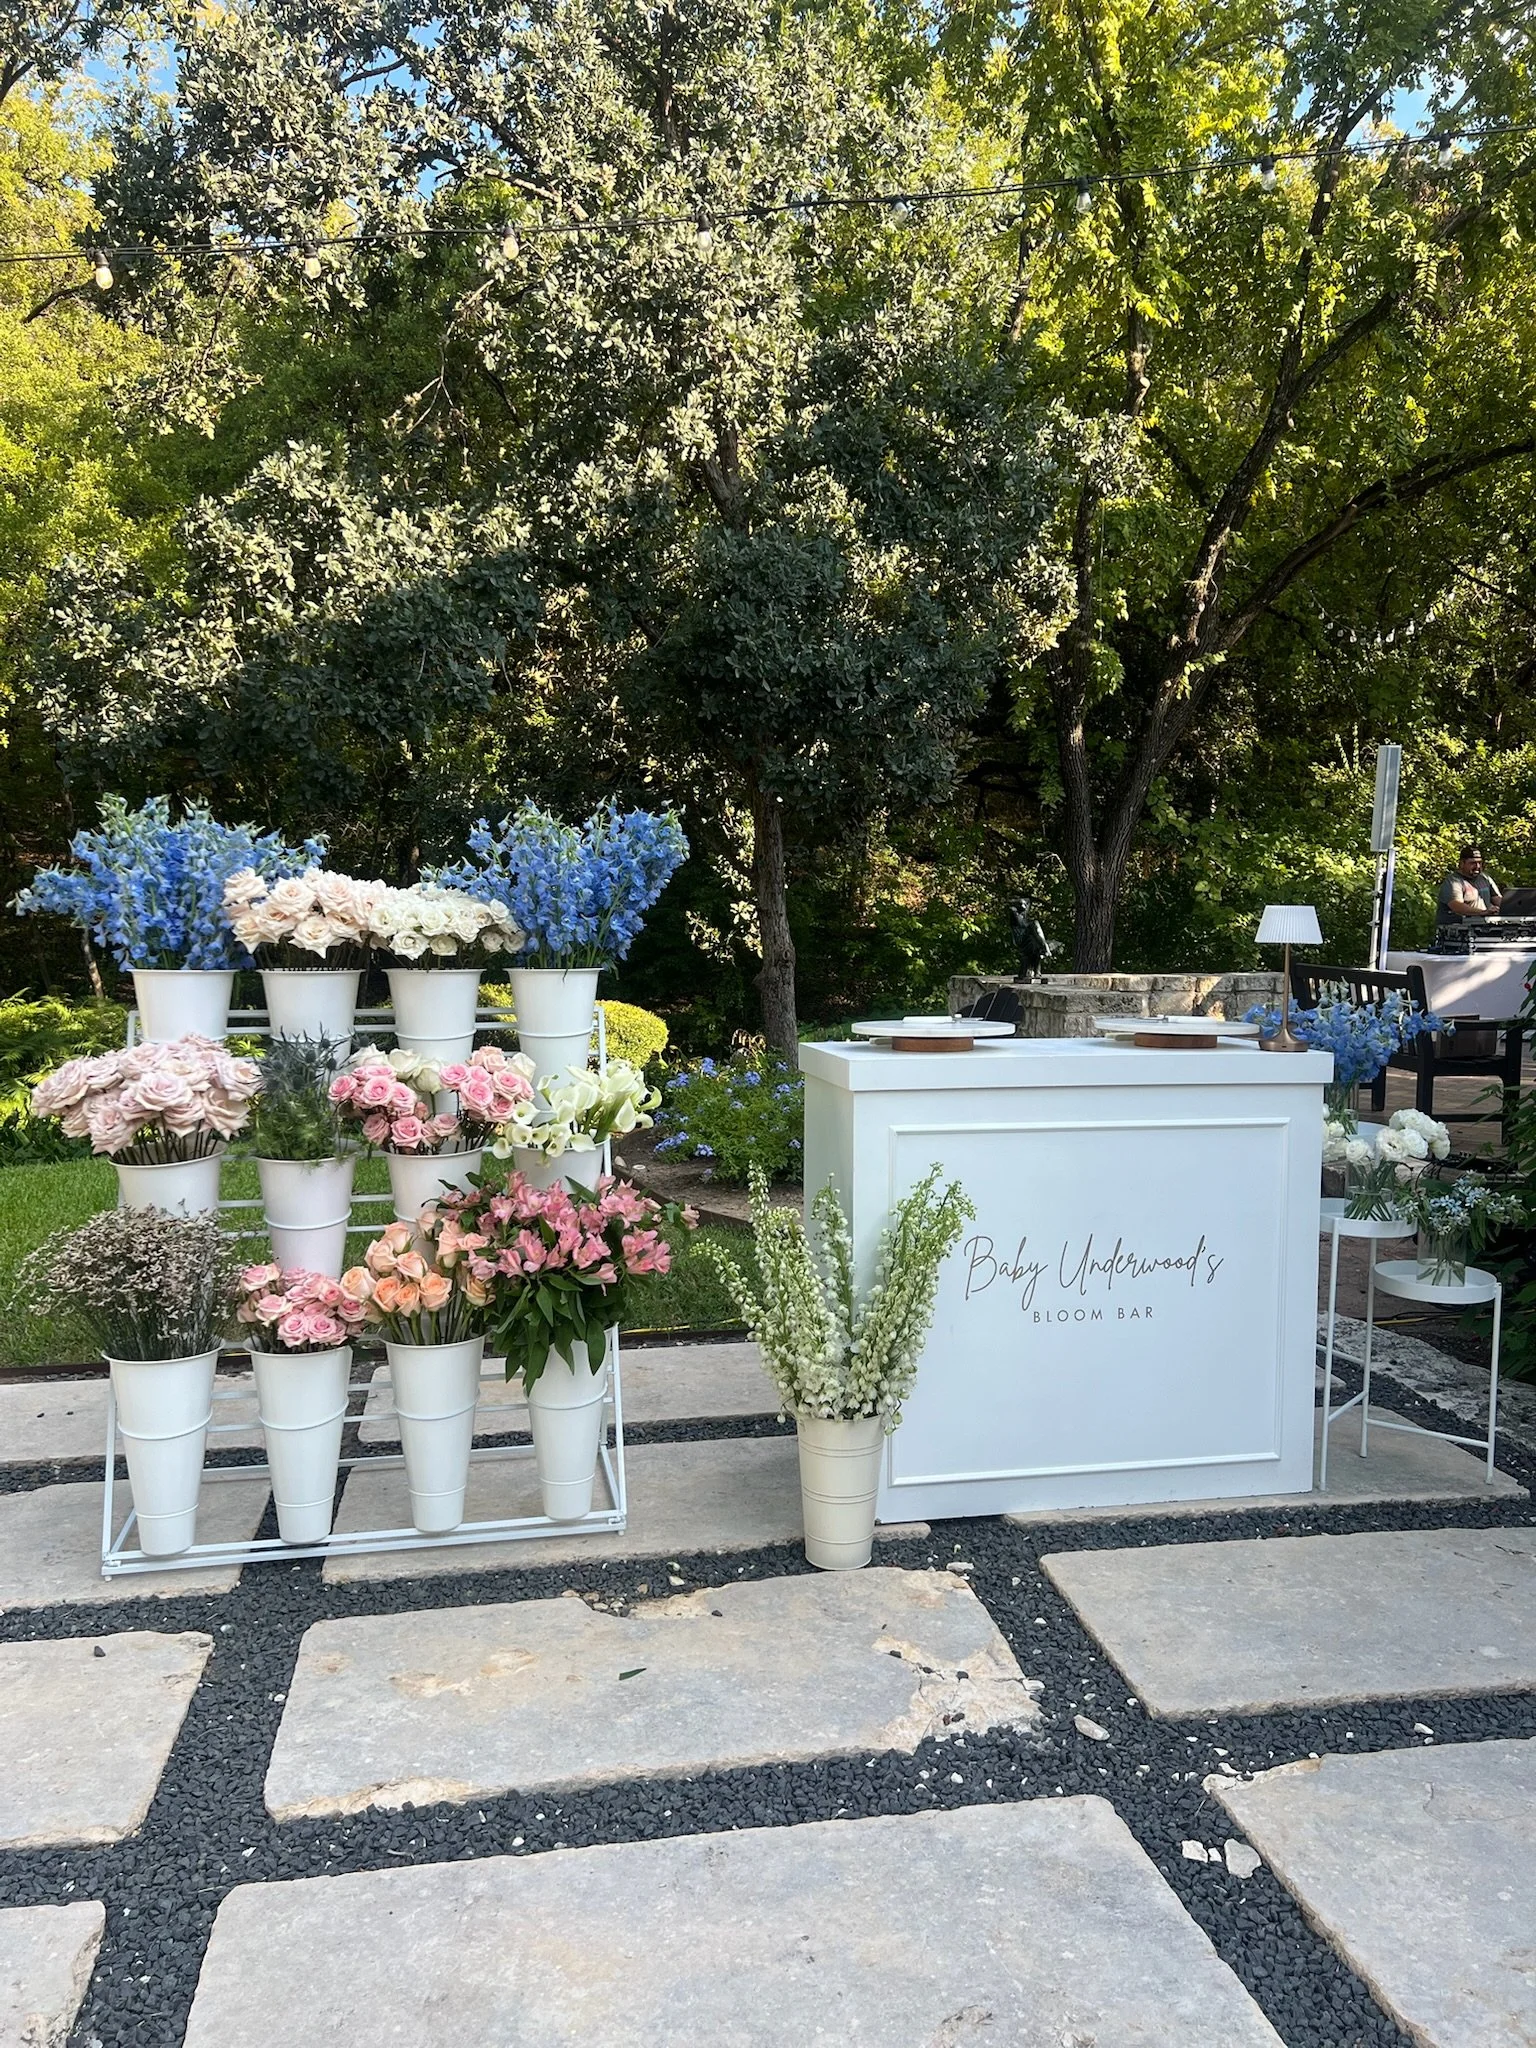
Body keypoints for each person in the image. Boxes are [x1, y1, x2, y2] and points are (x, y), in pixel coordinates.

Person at [1436, 845, 1503, 925]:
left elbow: (1498, 899)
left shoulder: (1485, 878)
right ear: (1462, 863)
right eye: (1473, 863)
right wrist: (1483, 912)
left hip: (1484, 926)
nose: (1477, 866)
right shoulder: (1453, 881)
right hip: (1459, 929)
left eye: (1480, 863)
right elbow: (1457, 907)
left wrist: (1513, 907)